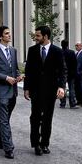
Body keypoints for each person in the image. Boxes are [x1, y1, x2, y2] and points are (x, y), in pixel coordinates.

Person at [23, 25, 67, 155]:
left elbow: (63, 70)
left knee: (47, 118)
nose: (35, 38)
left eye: (38, 36)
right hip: (35, 90)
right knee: (35, 117)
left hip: (50, 90)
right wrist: (26, 88)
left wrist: (61, 87)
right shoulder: (32, 50)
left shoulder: (57, 51)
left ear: (45, 36)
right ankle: (36, 144)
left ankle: (45, 143)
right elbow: (28, 70)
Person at [0, 26, 22, 159]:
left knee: (6, 119)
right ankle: (8, 148)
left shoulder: (13, 50)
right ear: (0, 37)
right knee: (4, 120)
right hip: (1, 91)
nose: (9, 35)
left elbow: (15, 69)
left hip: (12, 91)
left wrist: (18, 76)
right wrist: (6, 78)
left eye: (9, 33)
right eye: (6, 34)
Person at [60, 39, 78, 108]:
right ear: (67, 45)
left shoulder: (59, 52)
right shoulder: (71, 52)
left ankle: (62, 103)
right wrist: (75, 73)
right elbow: (75, 63)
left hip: (62, 74)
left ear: (61, 45)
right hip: (71, 73)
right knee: (71, 89)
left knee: (62, 88)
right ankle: (72, 103)